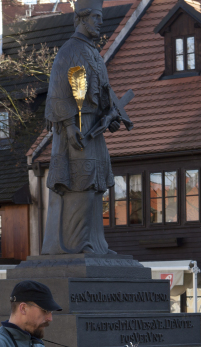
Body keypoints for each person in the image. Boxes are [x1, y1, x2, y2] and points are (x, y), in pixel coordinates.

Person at [41, 0, 125, 255]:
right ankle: (77, 245)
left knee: (96, 185)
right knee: (81, 183)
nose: (101, 22)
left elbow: (102, 93)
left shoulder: (94, 53)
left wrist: (110, 115)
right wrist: (68, 126)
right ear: (82, 18)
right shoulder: (69, 50)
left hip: (93, 125)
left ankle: (96, 244)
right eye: (97, 17)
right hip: (76, 126)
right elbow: (57, 91)